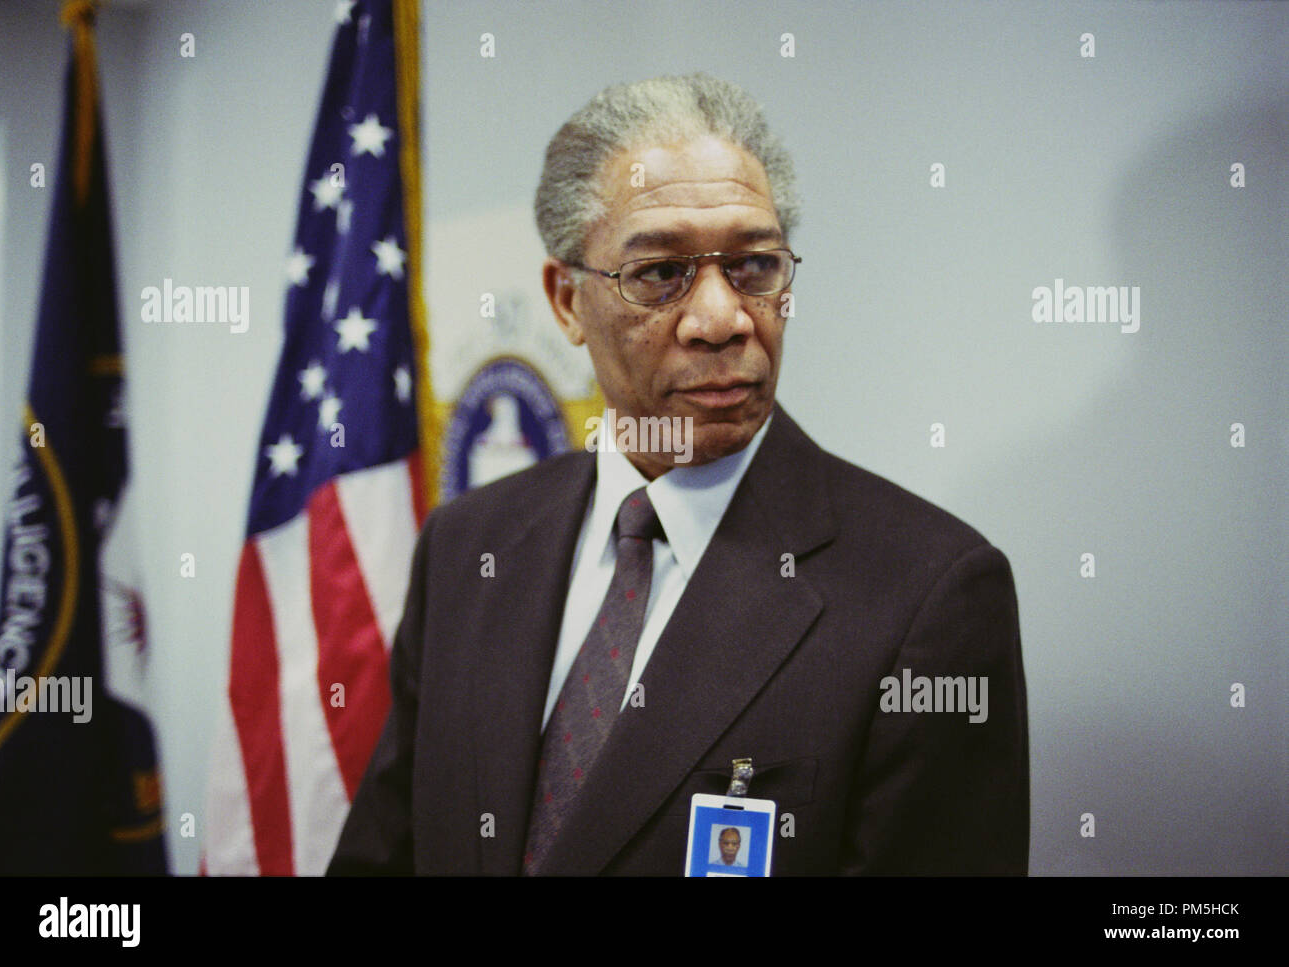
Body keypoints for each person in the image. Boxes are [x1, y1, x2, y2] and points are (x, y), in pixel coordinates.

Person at [328, 72, 1028, 876]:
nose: (723, 318)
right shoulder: (469, 546)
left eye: (755, 266)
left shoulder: (928, 596)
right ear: (565, 301)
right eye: (660, 274)